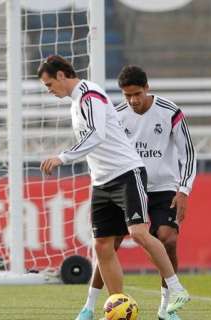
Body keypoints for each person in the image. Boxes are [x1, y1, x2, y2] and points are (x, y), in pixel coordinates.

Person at [37, 55, 190, 320]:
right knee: (102, 246)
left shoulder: (90, 94)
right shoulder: (76, 103)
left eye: (49, 84)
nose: (49, 90)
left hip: (126, 174)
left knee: (140, 233)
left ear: (61, 75)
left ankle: (176, 290)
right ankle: (112, 306)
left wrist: (63, 157)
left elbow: (96, 134)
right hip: (102, 181)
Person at [75, 65, 196, 320]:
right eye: (127, 95)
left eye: (137, 94)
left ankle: (166, 309)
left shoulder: (170, 112)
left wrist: (183, 189)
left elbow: (189, 154)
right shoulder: (116, 115)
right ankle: (89, 306)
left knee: (168, 239)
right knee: (108, 244)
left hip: (162, 188)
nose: (133, 100)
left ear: (147, 88)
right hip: (127, 183)